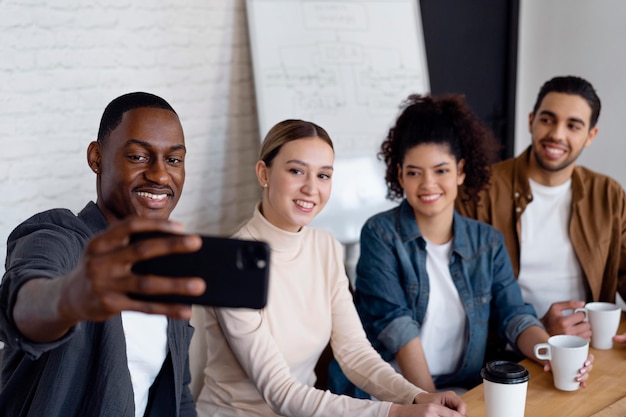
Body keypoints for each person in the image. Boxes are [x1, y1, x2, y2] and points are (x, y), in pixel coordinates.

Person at [193, 119, 467, 417]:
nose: (312, 188)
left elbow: (354, 352)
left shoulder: (325, 246)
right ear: (264, 173)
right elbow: (280, 390)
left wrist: (418, 396)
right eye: (296, 171)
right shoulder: (232, 263)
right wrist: (395, 413)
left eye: (323, 175)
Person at [328, 94, 592, 395]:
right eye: (414, 172)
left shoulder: (487, 241)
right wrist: (429, 402)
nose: (428, 185)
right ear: (400, 174)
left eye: (441, 171)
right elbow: (396, 326)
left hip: (460, 390)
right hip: (385, 394)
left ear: (461, 171)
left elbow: (514, 315)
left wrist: (553, 353)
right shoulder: (380, 234)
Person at [0, 92, 206, 417]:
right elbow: (22, 304)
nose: (161, 175)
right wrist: (70, 298)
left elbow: (177, 391)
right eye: (138, 156)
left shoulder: (169, 268)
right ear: (97, 157)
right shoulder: (58, 236)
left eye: (174, 160)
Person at [456, 75, 626, 343]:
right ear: (531, 121)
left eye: (573, 125)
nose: (557, 134)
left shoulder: (608, 194)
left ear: (590, 135)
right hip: (507, 353)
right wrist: (535, 328)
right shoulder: (481, 191)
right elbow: (460, 293)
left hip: (587, 349)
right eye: (547, 119)